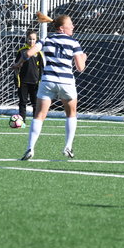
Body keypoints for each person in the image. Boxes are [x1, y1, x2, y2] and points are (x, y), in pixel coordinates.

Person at [20, 14, 87, 160]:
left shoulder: (47, 39)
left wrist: (21, 61)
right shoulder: (74, 42)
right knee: (71, 114)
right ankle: (68, 147)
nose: (73, 26)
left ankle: (30, 148)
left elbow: (28, 53)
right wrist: (84, 57)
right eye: (70, 24)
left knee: (39, 116)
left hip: (48, 81)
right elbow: (80, 67)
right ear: (62, 28)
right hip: (66, 83)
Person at [11, 30, 44, 123]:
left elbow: (41, 68)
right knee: (22, 102)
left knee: (35, 103)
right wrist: (17, 80)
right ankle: (21, 121)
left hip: (35, 82)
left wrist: (40, 81)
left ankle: (36, 122)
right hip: (23, 82)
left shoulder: (39, 53)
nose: (31, 41)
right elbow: (16, 67)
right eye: (30, 39)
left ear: (36, 40)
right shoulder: (22, 51)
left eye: (33, 39)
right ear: (26, 39)